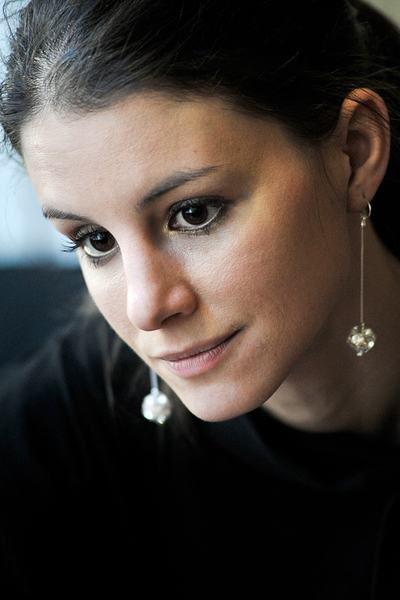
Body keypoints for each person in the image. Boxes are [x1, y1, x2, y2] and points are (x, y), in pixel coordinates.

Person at [0, 0, 400, 597]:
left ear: (355, 152)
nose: (145, 307)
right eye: (95, 240)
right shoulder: (47, 449)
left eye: (193, 213)